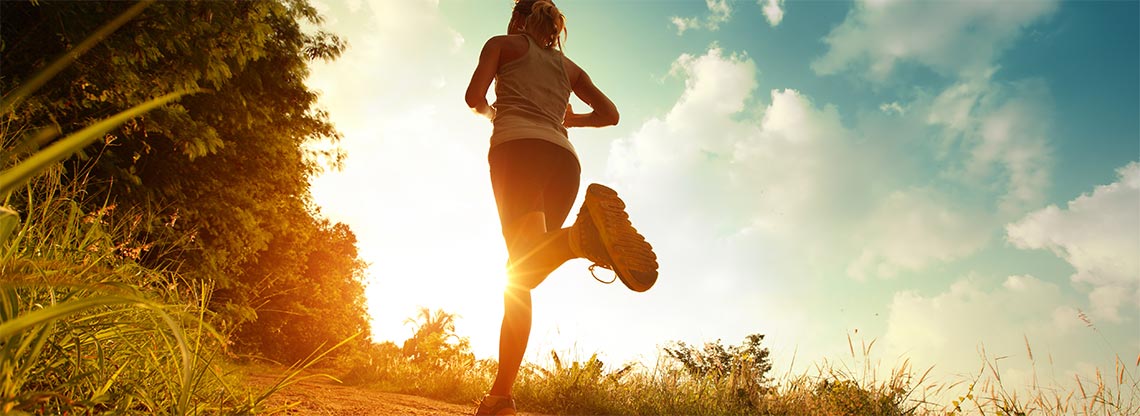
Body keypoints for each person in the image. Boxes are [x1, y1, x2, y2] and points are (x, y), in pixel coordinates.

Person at [464, 1, 659, 414]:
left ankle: (579, 238)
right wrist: (569, 121)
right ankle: (501, 396)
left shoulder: (501, 44)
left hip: (517, 150)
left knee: (522, 271)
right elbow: (610, 115)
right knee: (522, 275)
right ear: (555, 27)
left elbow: (473, 97)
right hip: (563, 160)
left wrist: (492, 113)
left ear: (518, 18)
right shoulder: (569, 69)